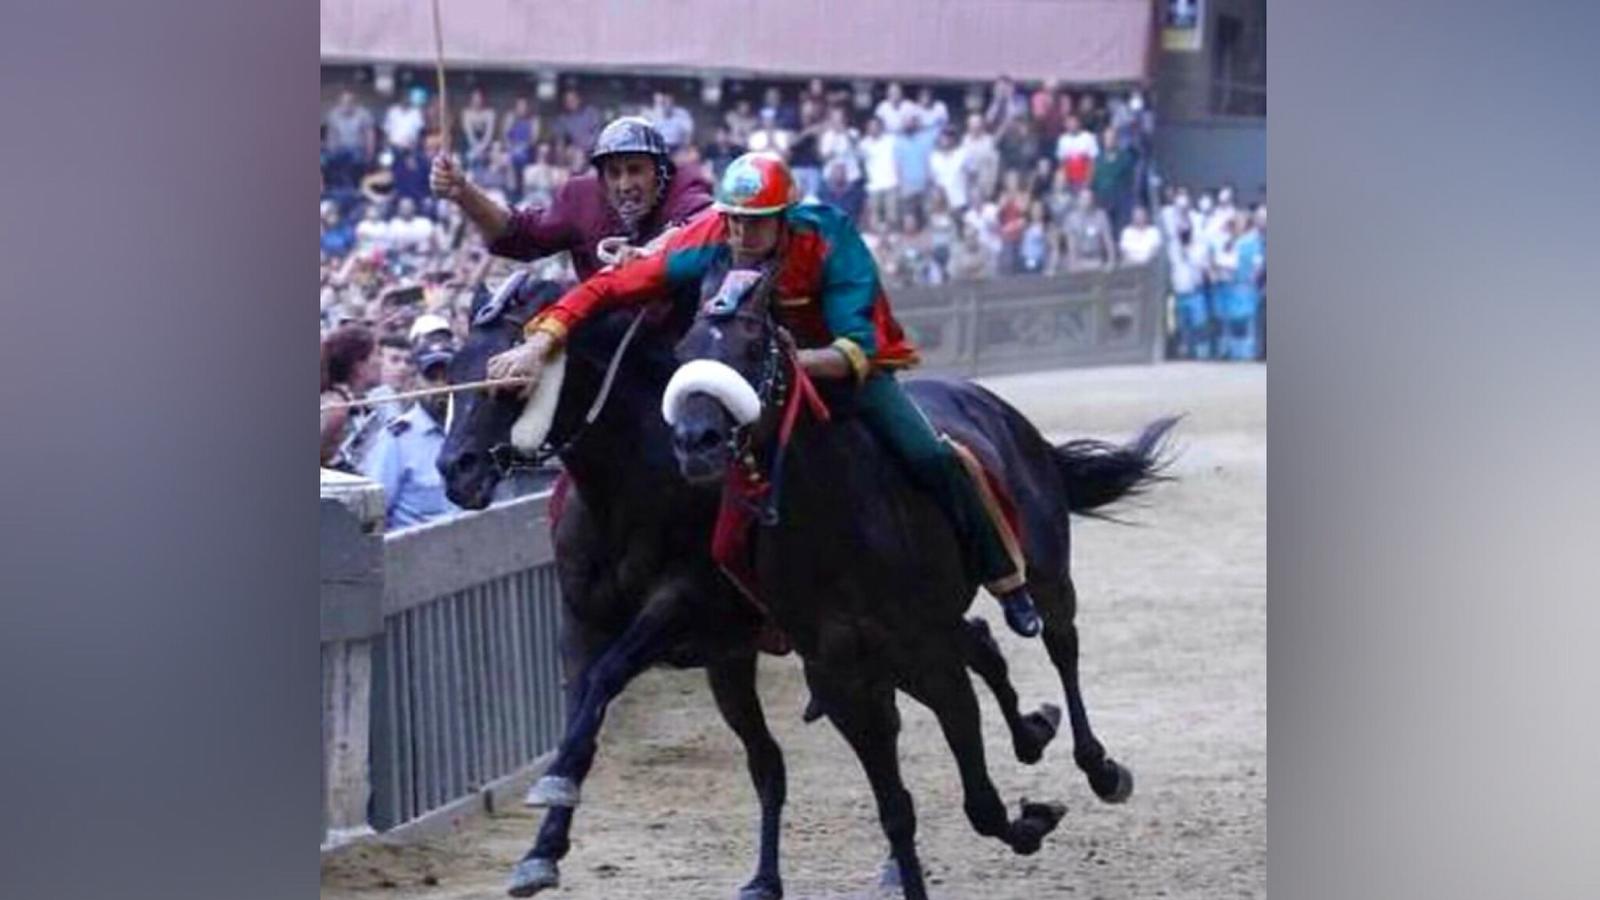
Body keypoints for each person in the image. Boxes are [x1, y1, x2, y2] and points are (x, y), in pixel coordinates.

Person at [485, 152, 1045, 638]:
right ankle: (784, 625)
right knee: (726, 529)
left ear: (785, 220)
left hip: (847, 377)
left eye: (755, 225)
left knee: (933, 457)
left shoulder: (830, 240)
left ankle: (1005, 578)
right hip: (760, 388)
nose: (740, 238)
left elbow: (858, 345)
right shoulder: (714, 238)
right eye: (732, 222)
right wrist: (542, 339)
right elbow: (610, 286)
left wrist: (795, 360)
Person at [430, 116, 714, 280]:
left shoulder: (685, 186)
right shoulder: (580, 198)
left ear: (661, 172)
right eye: (613, 173)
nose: (624, 184)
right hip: (598, 342)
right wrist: (464, 193)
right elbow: (518, 235)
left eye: (635, 170)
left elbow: (701, 223)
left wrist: (650, 251)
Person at [360, 337, 462, 529]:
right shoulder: (397, 439)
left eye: (448, 377)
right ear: (414, 383)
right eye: (432, 378)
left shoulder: (470, 434)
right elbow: (372, 514)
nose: (441, 386)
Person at [320, 325, 381, 470]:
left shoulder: (359, 403)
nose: (381, 361)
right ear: (358, 365)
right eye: (377, 354)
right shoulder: (336, 409)